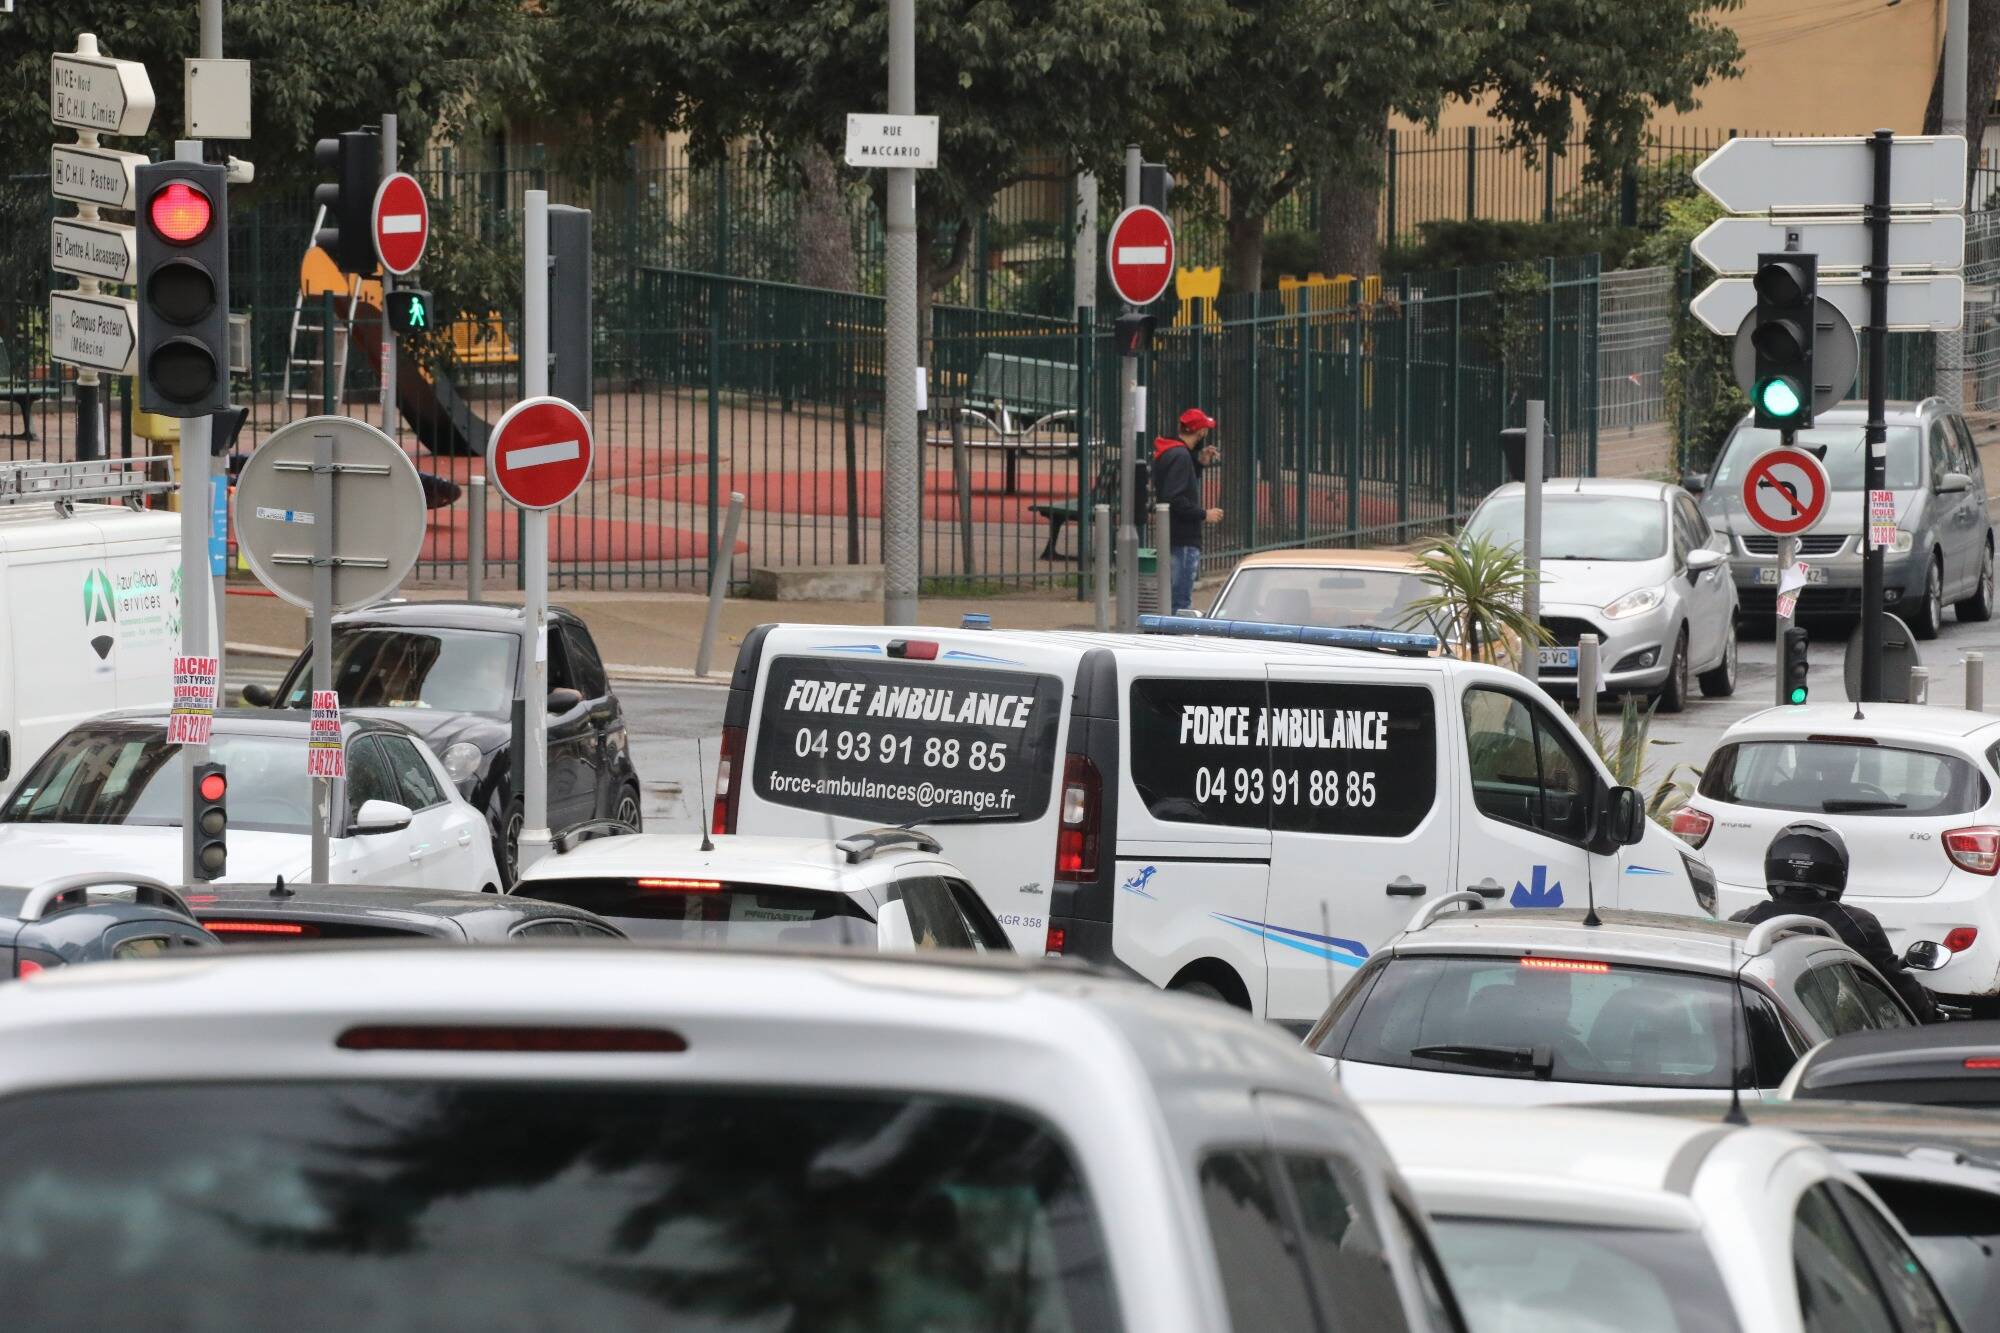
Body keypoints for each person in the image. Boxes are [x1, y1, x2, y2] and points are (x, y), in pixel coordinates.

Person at [1729, 820, 1940, 1022]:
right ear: (1838, 872)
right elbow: (1899, 991)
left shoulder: (1743, 923)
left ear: (1772, 866)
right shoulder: (1857, 925)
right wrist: (1928, 1005)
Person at [1152, 408, 1224, 614]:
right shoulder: (1180, 456)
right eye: (1205, 430)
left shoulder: (1171, 451)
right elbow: (1175, 497)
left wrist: (1199, 463)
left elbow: (1176, 486)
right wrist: (1204, 514)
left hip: (1173, 535)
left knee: (1172, 599)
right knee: (1180, 603)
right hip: (1183, 538)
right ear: (1200, 432)